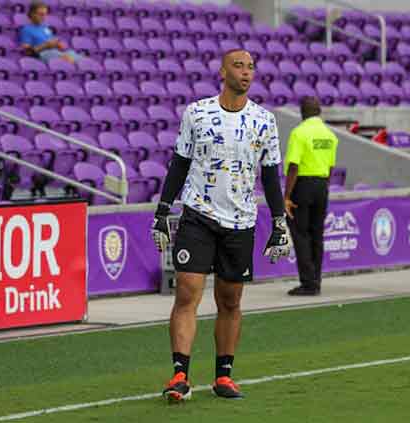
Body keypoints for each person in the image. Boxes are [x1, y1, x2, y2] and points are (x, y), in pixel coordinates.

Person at [151, 49, 291, 402]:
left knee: (230, 301)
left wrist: (279, 221)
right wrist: (162, 210)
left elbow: (271, 175)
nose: (245, 73)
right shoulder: (197, 113)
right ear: (222, 71)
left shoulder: (264, 119)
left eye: (250, 68)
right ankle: (180, 374)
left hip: (241, 220)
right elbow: (179, 164)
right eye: (238, 66)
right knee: (187, 291)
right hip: (198, 214)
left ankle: (223, 376)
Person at [283, 96, 339, 296]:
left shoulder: (299, 133)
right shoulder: (330, 135)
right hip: (322, 185)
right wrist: (324, 186)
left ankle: (308, 283)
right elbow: (331, 166)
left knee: (300, 234)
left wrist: (287, 195)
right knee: (317, 234)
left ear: (302, 112)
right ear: (319, 111)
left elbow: (293, 166)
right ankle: (316, 280)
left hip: (303, 185)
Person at [17, 2, 82, 63]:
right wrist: (46, 45)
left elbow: (52, 41)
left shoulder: (45, 27)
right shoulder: (26, 30)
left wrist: (58, 44)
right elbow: (28, 52)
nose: (43, 17)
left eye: (45, 14)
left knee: (80, 59)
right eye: (41, 14)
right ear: (32, 14)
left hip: (56, 51)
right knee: (67, 59)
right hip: (44, 54)